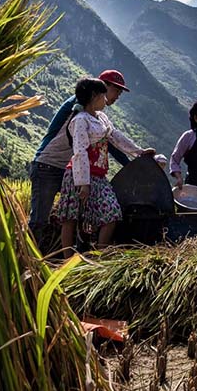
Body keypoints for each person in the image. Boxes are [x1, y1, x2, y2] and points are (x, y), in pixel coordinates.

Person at [54, 78, 155, 258]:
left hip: (99, 176)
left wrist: (138, 152)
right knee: (70, 218)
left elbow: (116, 137)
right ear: (94, 96)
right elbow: (80, 152)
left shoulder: (101, 118)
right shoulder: (80, 121)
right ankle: (66, 261)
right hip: (79, 175)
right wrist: (83, 183)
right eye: (102, 96)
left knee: (112, 213)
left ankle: (100, 257)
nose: (106, 100)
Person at [28, 70, 131, 243]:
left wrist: (132, 162)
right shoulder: (80, 107)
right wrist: (130, 165)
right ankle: (27, 261)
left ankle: (70, 257)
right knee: (39, 220)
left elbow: (108, 139)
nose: (117, 97)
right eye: (116, 91)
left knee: (76, 216)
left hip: (72, 170)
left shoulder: (96, 113)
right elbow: (104, 144)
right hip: (48, 166)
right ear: (101, 89)